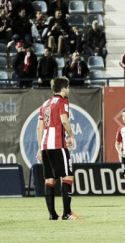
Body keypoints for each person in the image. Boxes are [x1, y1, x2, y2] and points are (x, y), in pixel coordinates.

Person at [36, 76, 84, 220]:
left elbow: (39, 128)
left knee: (49, 179)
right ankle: (67, 213)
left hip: (45, 146)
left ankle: (52, 214)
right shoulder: (63, 101)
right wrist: (71, 135)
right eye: (67, 87)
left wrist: (39, 148)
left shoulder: (45, 104)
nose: (68, 90)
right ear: (63, 89)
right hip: (58, 144)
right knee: (68, 176)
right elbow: (64, 120)